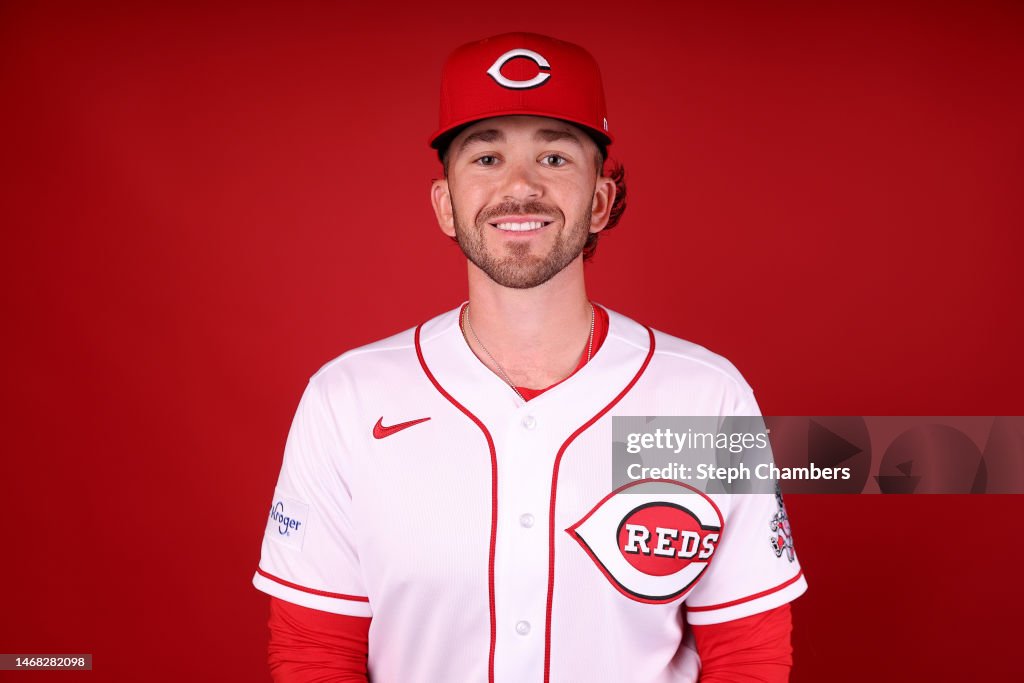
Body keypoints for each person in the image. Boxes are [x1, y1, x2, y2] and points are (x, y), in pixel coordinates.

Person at [252, 31, 807, 682]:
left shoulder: (705, 400)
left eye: (553, 157)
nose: (520, 186)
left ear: (599, 201)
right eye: (486, 158)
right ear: (445, 206)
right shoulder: (347, 400)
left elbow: (748, 656)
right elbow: (316, 655)